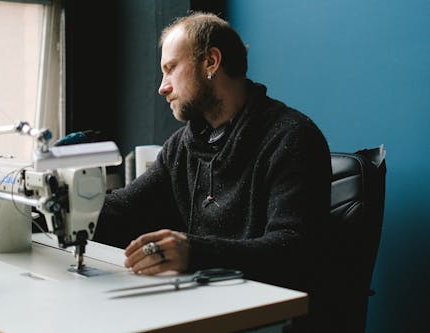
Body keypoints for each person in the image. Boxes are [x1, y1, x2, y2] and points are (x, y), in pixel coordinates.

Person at [94, 11, 333, 332]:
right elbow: (122, 210)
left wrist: (193, 251)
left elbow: (292, 249)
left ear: (211, 62)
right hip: (200, 309)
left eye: (170, 69)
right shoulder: (183, 146)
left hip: (265, 318)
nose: (162, 87)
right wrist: (47, 204)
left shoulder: (291, 137)